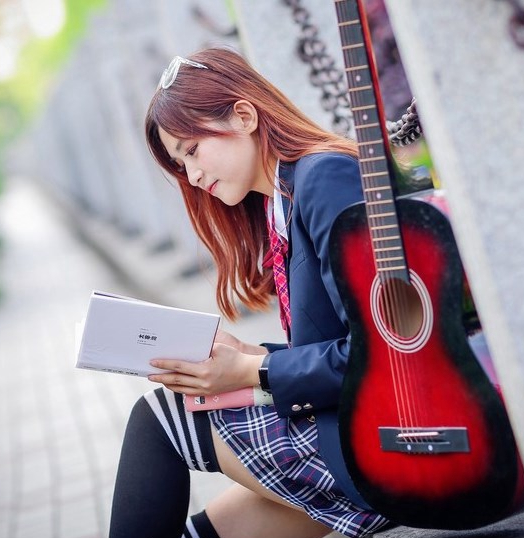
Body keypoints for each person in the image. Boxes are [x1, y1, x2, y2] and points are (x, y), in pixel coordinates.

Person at [109, 47, 392, 538]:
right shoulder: (282, 203)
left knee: (162, 419)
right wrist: (255, 353)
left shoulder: (323, 177)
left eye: (192, 151)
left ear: (243, 115)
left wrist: (253, 371)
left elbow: (388, 351)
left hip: (391, 437)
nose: (193, 176)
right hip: (356, 425)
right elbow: (341, 339)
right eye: (181, 164)